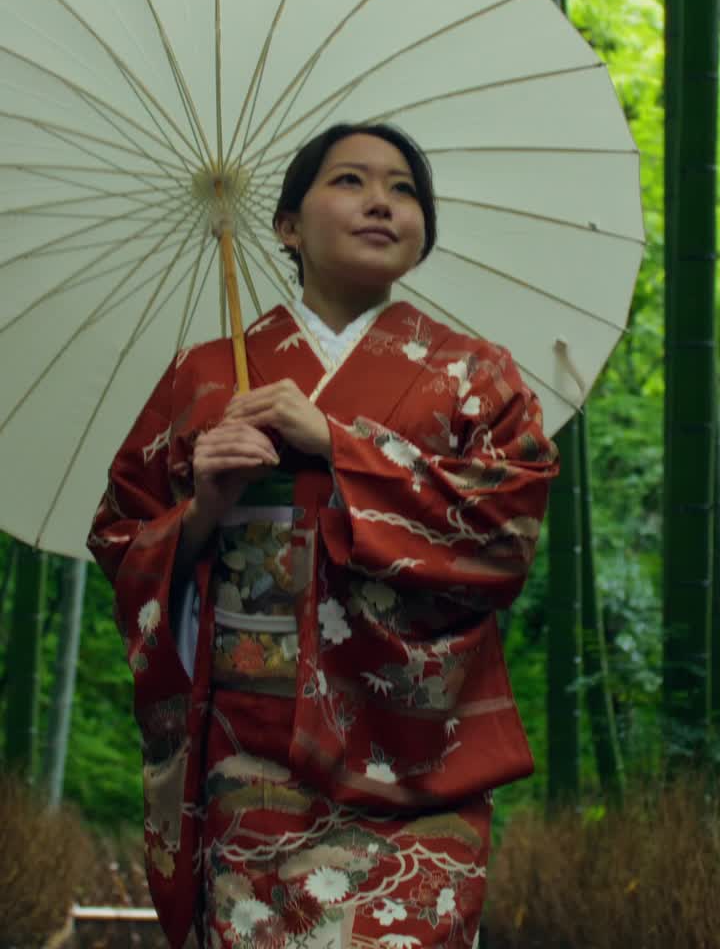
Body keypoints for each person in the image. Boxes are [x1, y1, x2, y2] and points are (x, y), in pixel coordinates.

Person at [89, 122, 558, 949]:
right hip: (252, 763)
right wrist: (202, 511)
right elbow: (123, 540)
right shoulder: (206, 376)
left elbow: (506, 531)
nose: (382, 201)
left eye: (404, 190)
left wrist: (337, 444)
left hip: (415, 758)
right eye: (350, 181)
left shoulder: (475, 375)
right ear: (287, 226)